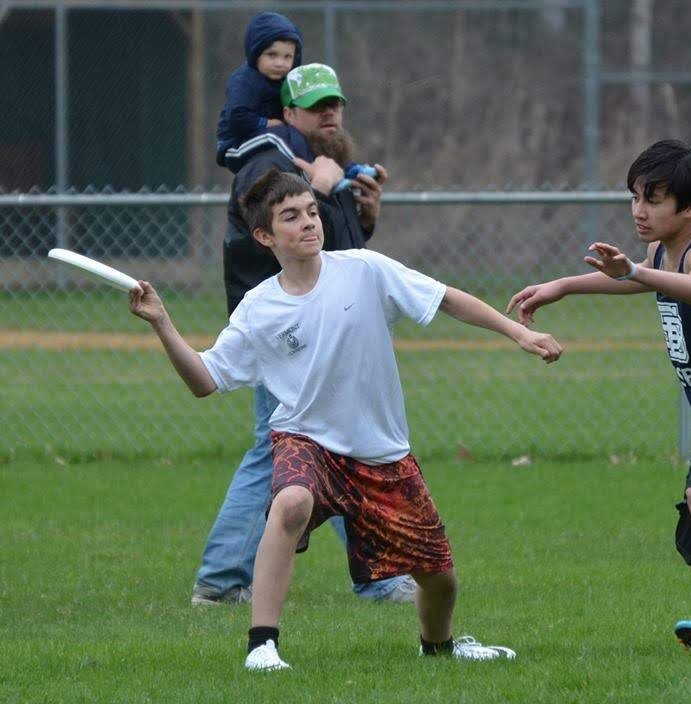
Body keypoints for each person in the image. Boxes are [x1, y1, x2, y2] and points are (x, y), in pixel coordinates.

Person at [130, 168, 564, 670]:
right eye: (290, 217)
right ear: (265, 236)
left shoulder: (364, 268)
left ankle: (439, 647)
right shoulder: (258, 307)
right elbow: (204, 379)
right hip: (305, 440)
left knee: (438, 576)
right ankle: (262, 646)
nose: (308, 223)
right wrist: (163, 322)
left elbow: (445, 297)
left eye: (312, 211)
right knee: (290, 501)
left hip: (381, 454)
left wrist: (519, 334)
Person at [507, 139, 691, 653]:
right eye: (633, 197)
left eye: (653, 199)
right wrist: (563, 285)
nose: (638, 211)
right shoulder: (660, 254)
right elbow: (641, 281)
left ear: (690, 206)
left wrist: (634, 271)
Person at [192, 63, 417, 605]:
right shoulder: (268, 161)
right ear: (288, 114)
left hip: (329, 322)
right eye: (317, 107)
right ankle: (374, 577)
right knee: (304, 448)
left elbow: (337, 247)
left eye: (336, 104)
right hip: (289, 330)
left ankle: (225, 581)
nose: (331, 114)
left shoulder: (326, 164)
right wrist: (317, 187)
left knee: (317, 448)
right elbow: (263, 244)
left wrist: (364, 215)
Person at [215, 12, 303, 170]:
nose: (280, 63)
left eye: (287, 57)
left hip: (264, 137)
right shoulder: (244, 81)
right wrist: (267, 123)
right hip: (235, 144)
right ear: (255, 53)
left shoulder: (286, 80)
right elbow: (237, 116)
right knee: (280, 136)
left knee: (306, 137)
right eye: (272, 55)